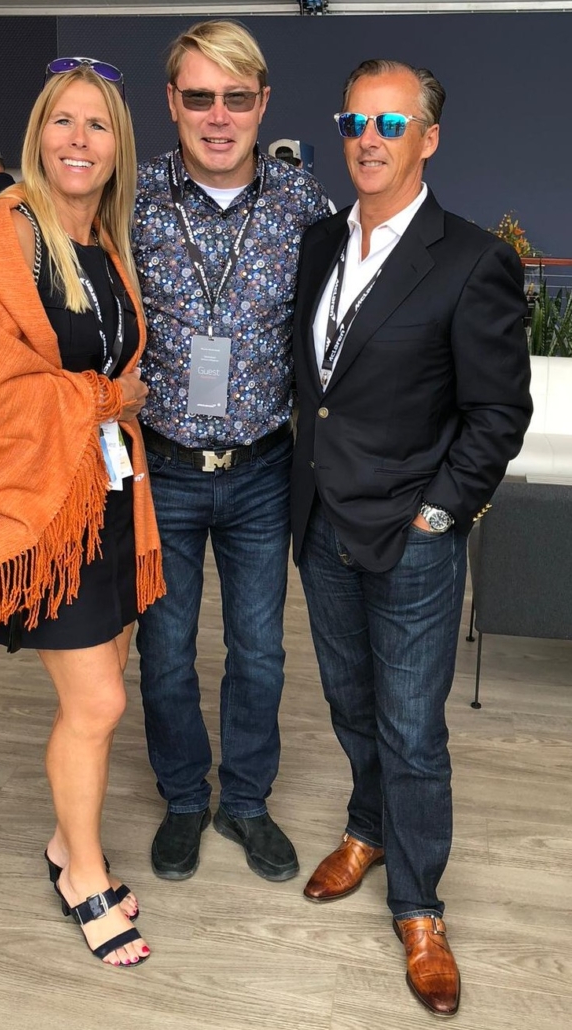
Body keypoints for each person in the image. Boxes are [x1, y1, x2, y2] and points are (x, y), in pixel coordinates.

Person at [291, 59, 532, 1016]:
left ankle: (419, 905)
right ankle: (367, 827)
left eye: (391, 124)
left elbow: (497, 412)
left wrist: (439, 512)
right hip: (323, 524)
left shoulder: (470, 258)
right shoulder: (319, 242)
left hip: (412, 536)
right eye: (355, 120)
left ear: (427, 139)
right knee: (350, 702)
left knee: (411, 729)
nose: (368, 138)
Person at [0, 57, 165, 968]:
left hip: (107, 500)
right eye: (63, 120)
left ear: (117, 146)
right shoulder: (6, 232)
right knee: (99, 702)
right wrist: (105, 399)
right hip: (42, 505)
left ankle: (68, 841)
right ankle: (84, 877)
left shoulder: (102, 237)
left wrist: (110, 402)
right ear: (38, 135)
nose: (79, 139)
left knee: (104, 687)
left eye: (97, 125)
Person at [132, 20, 332, 883]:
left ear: (262, 104)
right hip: (162, 468)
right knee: (164, 652)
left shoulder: (303, 203)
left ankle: (244, 801)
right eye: (200, 97)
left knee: (258, 653)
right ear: (172, 103)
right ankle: (184, 797)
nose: (219, 117)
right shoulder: (134, 198)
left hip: (260, 471)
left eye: (237, 98)